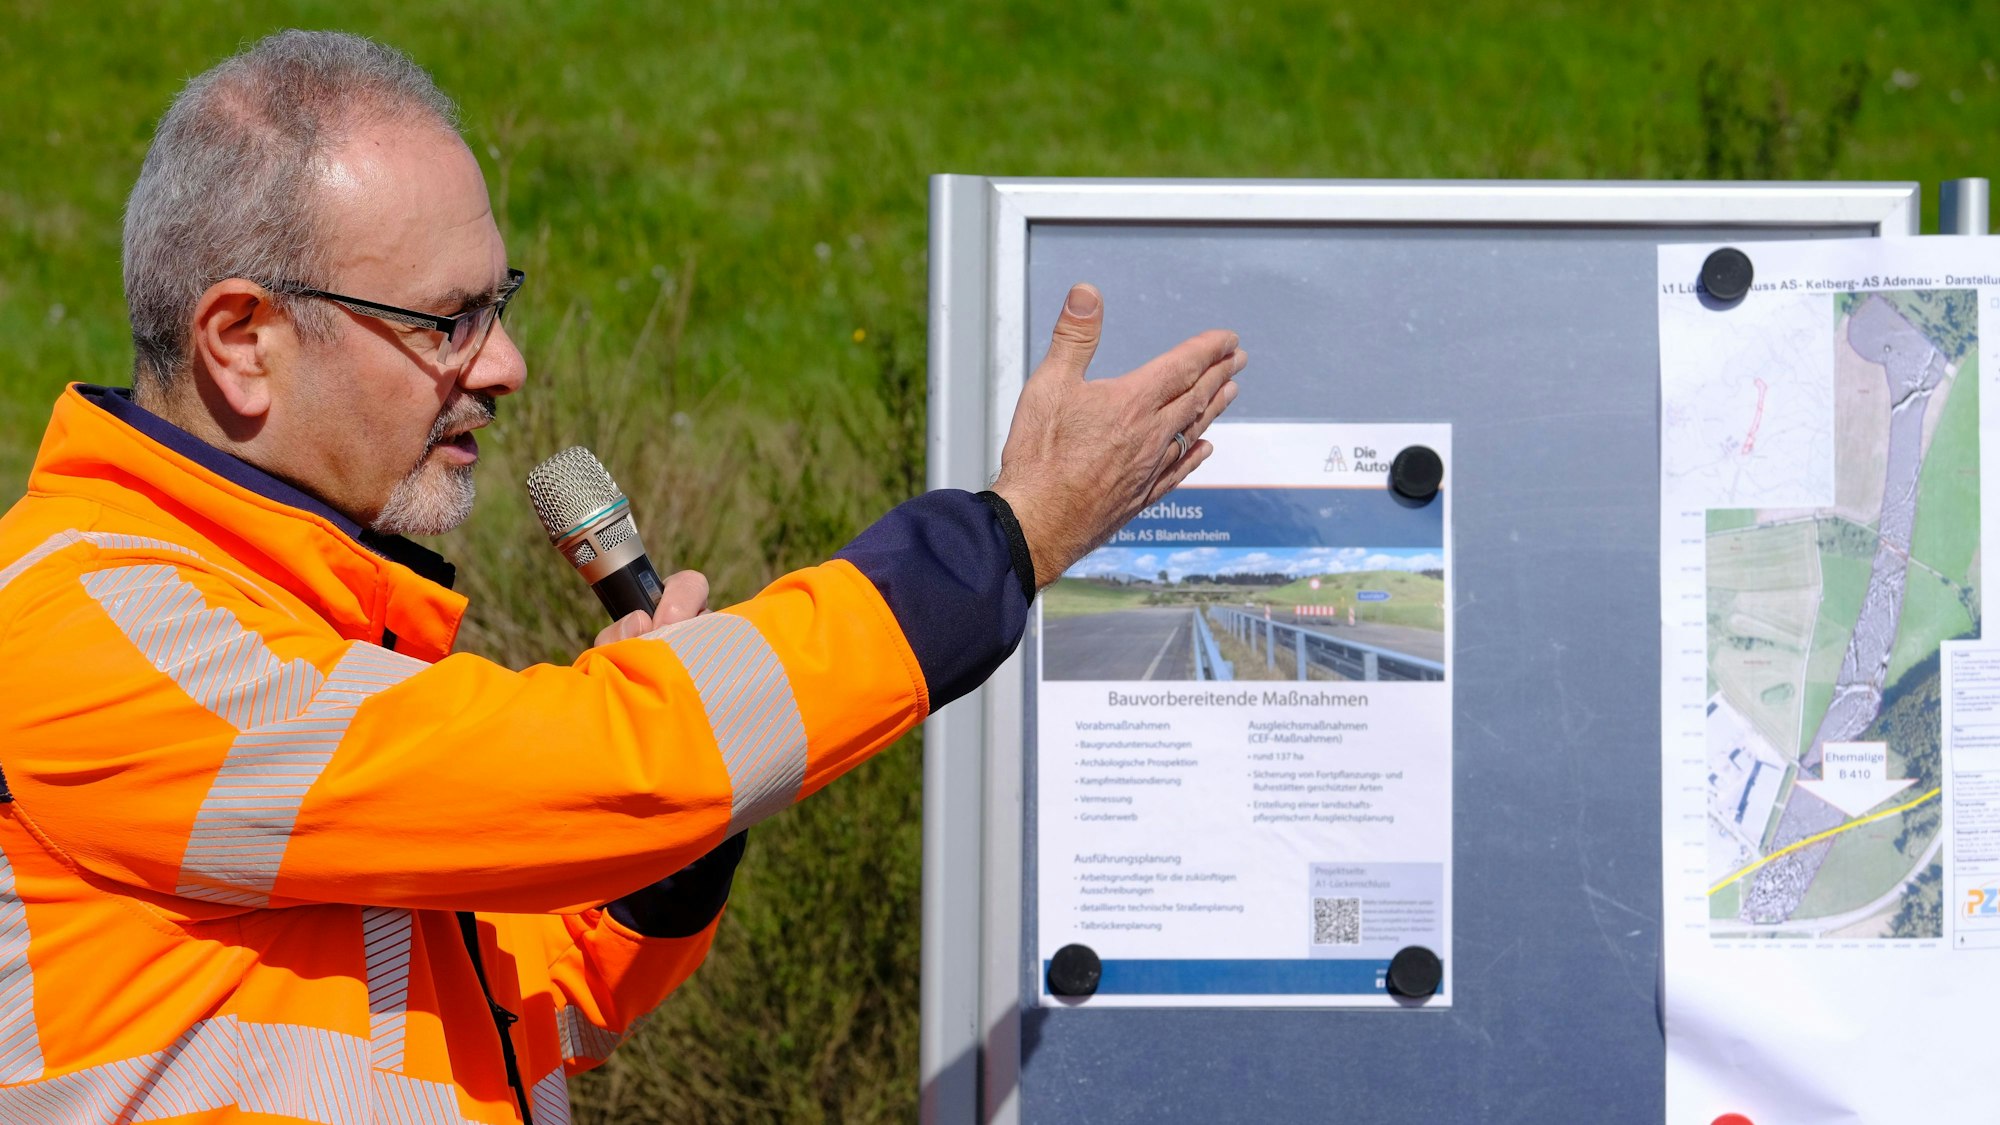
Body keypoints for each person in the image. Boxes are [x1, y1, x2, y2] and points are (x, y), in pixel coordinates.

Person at [0, 29, 1244, 1125]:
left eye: (501, 307)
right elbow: (610, 761)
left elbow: (518, 1018)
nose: (507, 367)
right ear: (242, 340)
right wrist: (1005, 540)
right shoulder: (84, 625)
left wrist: (672, 849)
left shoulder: (306, 646)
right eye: (448, 322)